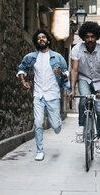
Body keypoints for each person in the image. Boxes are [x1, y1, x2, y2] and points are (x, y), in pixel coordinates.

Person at [17, 29, 70, 161]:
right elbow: (21, 68)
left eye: (43, 37)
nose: (41, 39)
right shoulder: (31, 57)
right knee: (38, 123)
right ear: (36, 41)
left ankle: (57, 124)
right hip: (38, 95)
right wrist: (23, 81)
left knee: (56, 126)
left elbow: (66, 73)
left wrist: (61, 74)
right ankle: (39, 150)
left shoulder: (57, 57)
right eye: (39, 38)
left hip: (53, 95)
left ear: (48, 40)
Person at [68, 21, 100, 152]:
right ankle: (81, 126)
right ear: (83, 37)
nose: (90, 39)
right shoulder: (76, 49)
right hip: (84, 78)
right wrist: (72, 89)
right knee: (84, 99)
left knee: (99, 108)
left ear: (97, 36)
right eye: (87, 36)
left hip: (99, 79)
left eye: (93, 36)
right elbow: (74, 71)